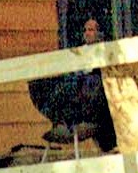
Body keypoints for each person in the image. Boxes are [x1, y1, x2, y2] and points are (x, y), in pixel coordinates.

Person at [27, 16, 118, 153]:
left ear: (100, 34)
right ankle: (62, 117)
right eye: (85, 30)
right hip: (74, 102)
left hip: (90, 107)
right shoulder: (78, 54)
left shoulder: (105, 54)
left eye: (91, 30)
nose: (87, 33)